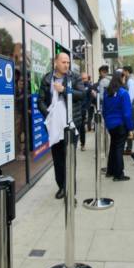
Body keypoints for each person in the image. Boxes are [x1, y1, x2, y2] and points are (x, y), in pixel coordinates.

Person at [38, 52, 85, 200]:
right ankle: (62, 187)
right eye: (63, 62)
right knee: (58, 158)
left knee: (69, 157)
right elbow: (40, 101)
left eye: (68, 62)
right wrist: (49, 116)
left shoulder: (74, 77)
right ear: (55, 63)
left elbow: (81, 94)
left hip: (71, 124)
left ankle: (71, 189)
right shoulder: (46, 78)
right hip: (54, 125)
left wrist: (65, 90)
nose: (66, 65)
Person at [102, 71, 133, 182]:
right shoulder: (123, 93)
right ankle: (119, 174)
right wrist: (130, 128)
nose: (125, 79)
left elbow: (104, 110)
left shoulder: (107, 93)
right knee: (119, 149)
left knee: (113, 147)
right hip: (120, 125)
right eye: (124, 78)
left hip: (111, 125)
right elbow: (127, 113)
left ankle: (110, 171)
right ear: (121, 79)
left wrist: (107, 122)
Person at [79, 72, 92, 151]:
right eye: (82, 78)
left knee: (82, 127)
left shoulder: (89, 87)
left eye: (85, 79)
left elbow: (90, 99)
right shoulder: (77, 85)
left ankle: (82, 144)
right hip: (76, 109)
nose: (83, 80)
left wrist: (86, 108)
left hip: (83, 109)